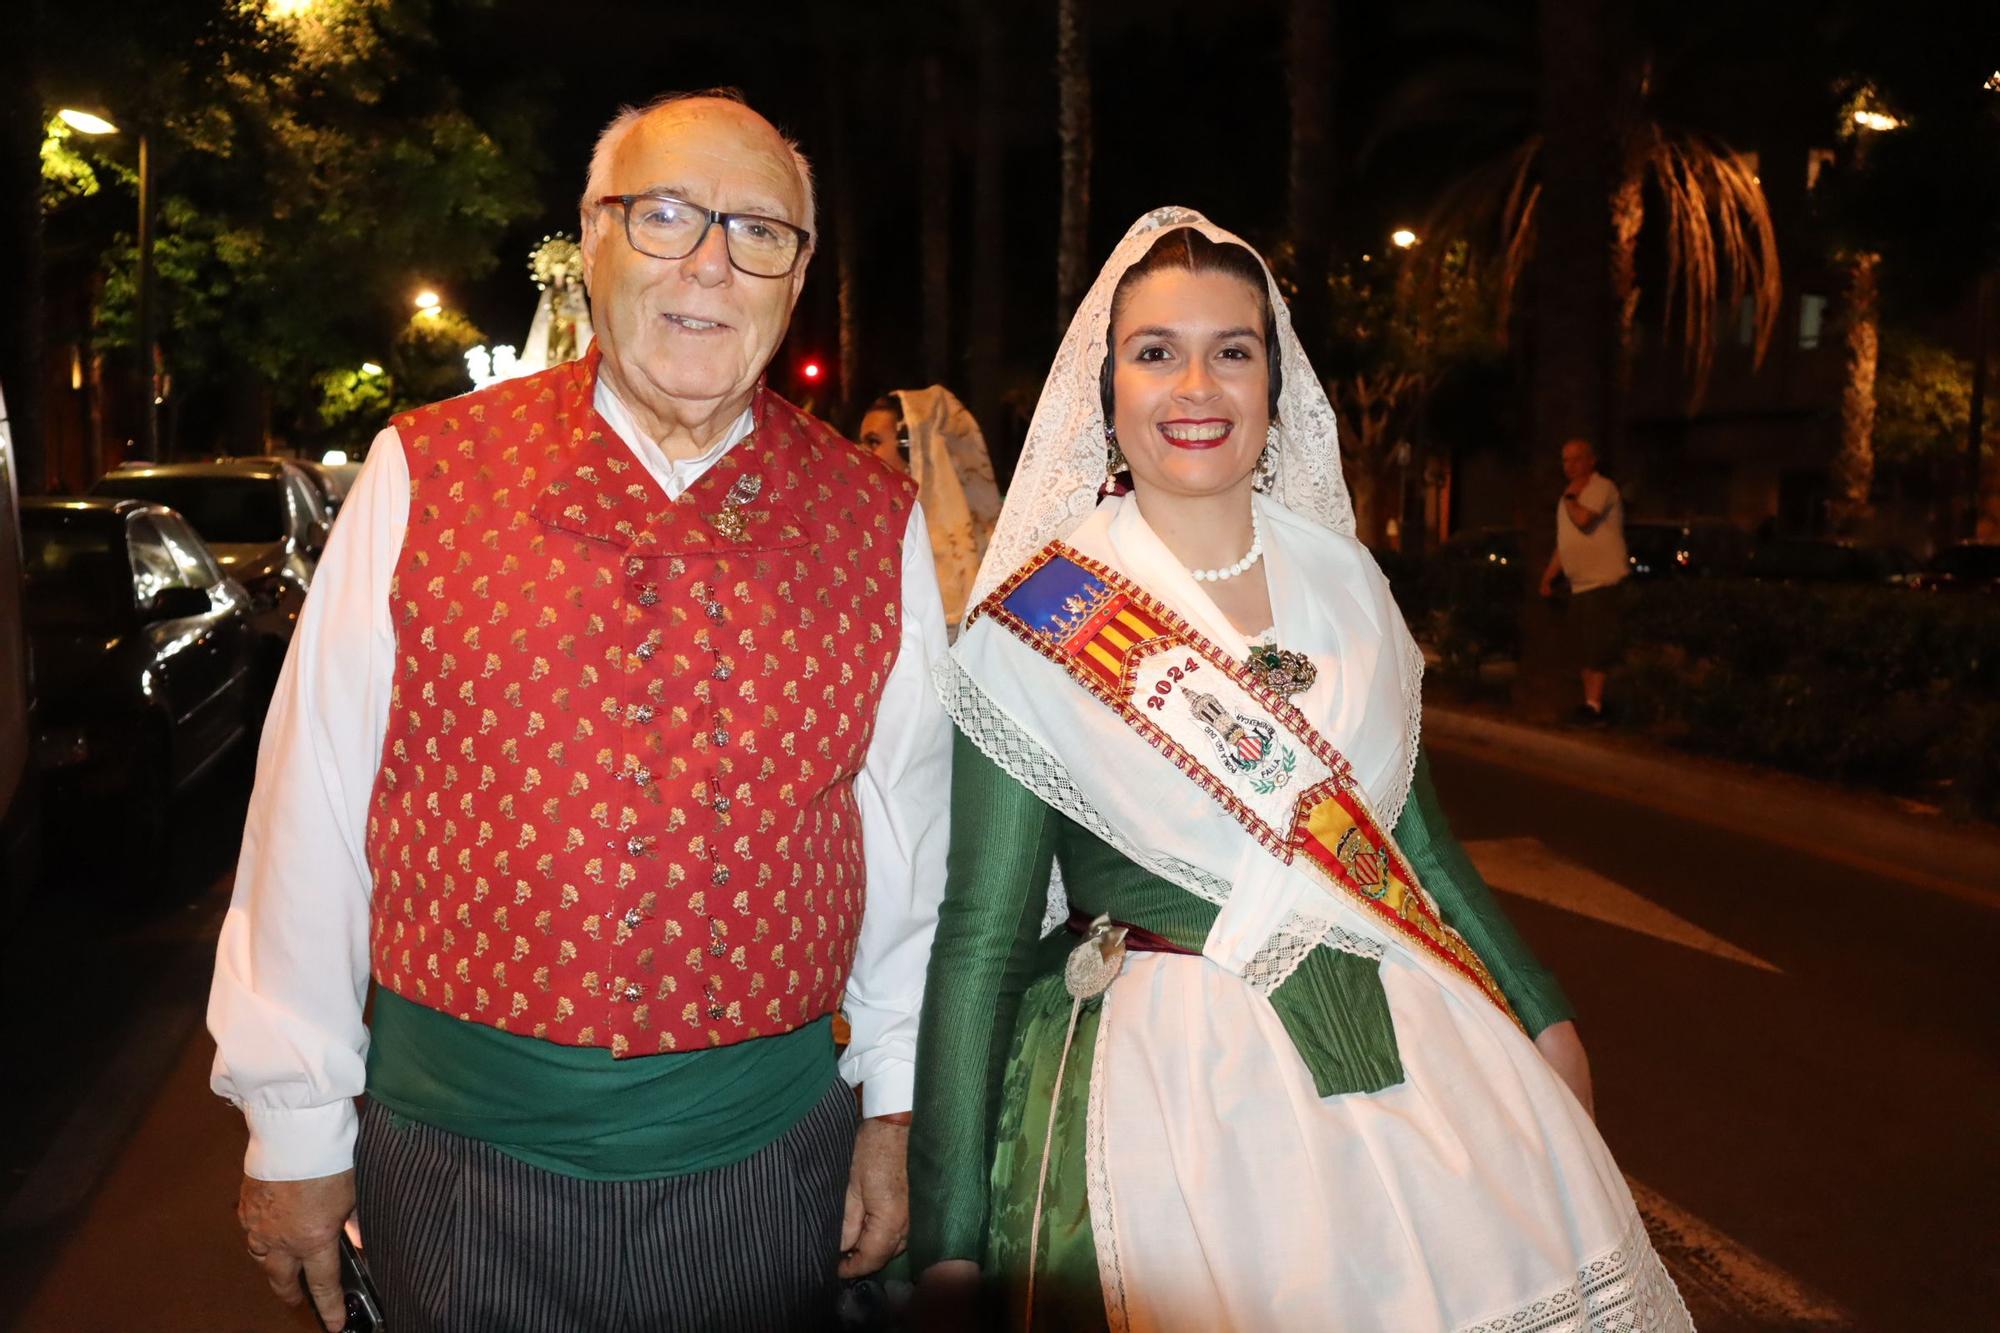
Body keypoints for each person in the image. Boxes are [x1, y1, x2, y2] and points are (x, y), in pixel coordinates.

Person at [210, 89, 952, 1332]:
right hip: (455, 1166)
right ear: (591, 239)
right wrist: (292, 1124)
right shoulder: (425, 472)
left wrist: (898, 1107)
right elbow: (312, 807)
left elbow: (910, 842)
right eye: (662, 216)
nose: (708, 262)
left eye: (757, 231)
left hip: (766, 1170)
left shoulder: (871, 518)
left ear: (798, 272)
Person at [907, 208, 1690, 1331]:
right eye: (1154, 352)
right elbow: (980, 939)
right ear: (1106, 390)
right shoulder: (1034, 625)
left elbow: (1416, 848)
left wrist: (1540, 1011)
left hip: (1426, 1062)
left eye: (1232, 350)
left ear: (1275, 386)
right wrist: (946, 1244)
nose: (1195, 386)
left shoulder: (1347, 584)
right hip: (1174, 1113)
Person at [858, 387, 1002, 630]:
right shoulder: (867, 527)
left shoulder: (988, 545)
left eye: (873, 442)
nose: (861, 453)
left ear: (914, 447)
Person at [1539, 437, 1630, 722]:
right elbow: (1564, 543)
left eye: (1577, 458)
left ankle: (1595, 704)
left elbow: (1583, 520)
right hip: (1579, 584)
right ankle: (1588, 703)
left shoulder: (1601, 488)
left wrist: (1570, 498)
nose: (1570, 465)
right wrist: (1549, 576)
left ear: (1591, 461)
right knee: (1582, 646)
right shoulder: (1568, 496)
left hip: (1603, 581)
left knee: (1597, 646)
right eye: (1565, 459)